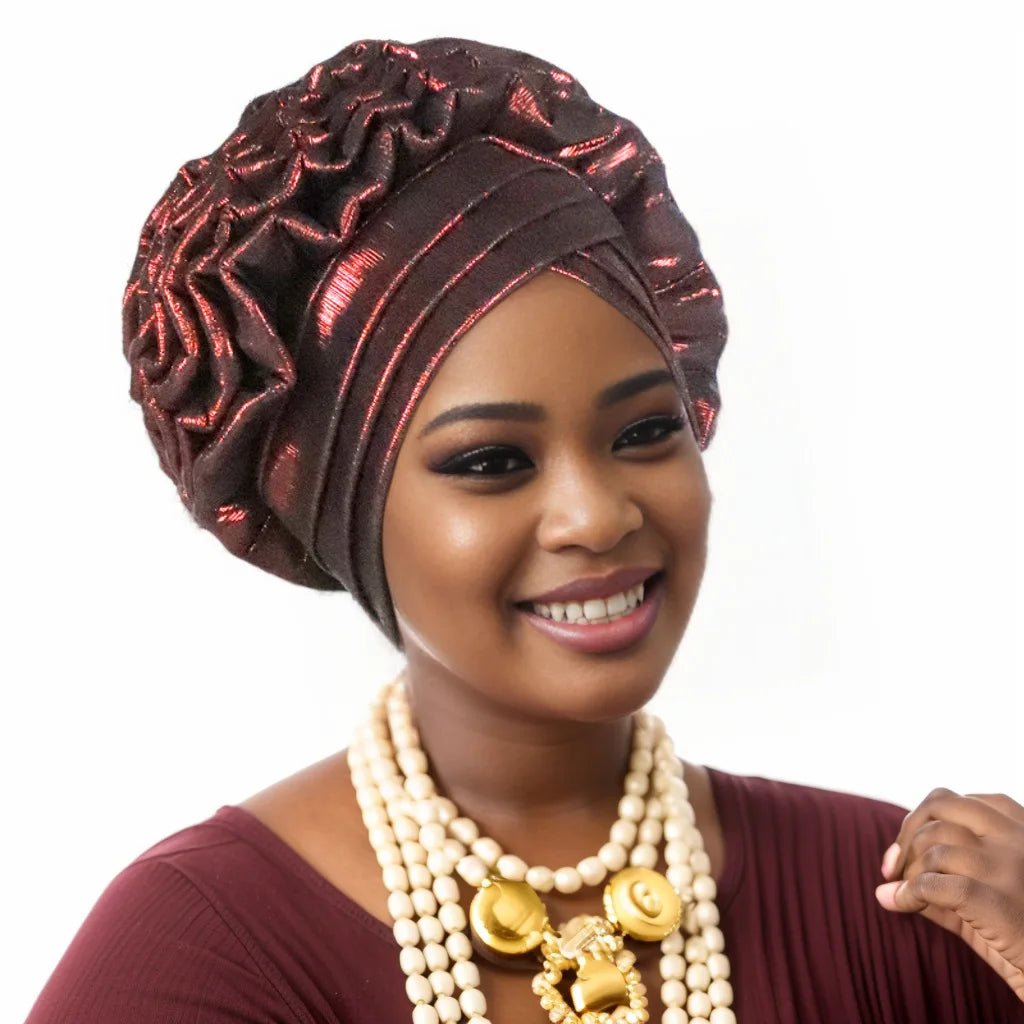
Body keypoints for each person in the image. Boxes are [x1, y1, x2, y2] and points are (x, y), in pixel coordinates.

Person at [26, 36, 1023, 1024]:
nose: (598, 514)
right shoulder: (197, 954)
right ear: (338, 515)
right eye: (490, 462)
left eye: (645, 432)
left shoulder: (906, 904)